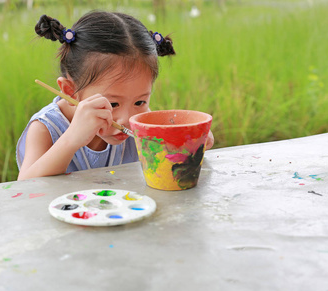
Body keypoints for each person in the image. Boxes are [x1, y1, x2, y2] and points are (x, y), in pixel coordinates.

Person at [17, 11, 214, 180]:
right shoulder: (45, 128)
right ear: (71, 91)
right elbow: (24, 189)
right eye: (112, 103)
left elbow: (165, 153)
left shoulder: (138, 123)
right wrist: (72, 139)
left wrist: (189, 141)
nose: (127, 119)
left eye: (140, 101)